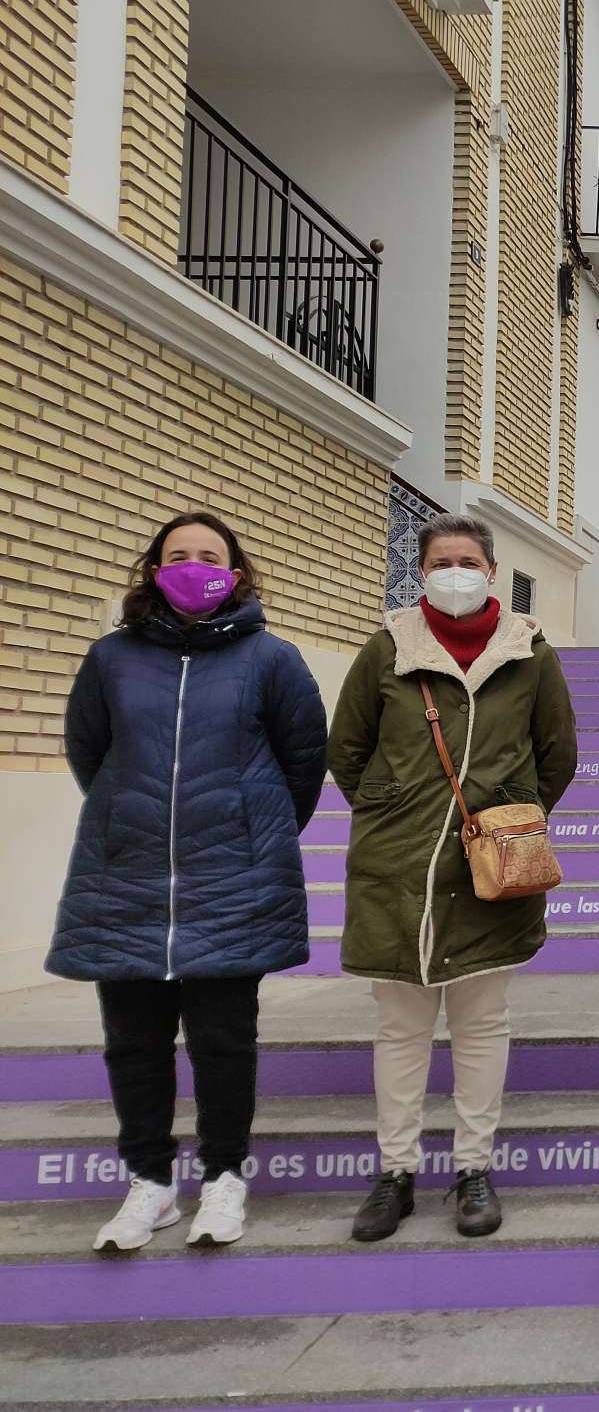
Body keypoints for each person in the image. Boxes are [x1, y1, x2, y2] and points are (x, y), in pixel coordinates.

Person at [51, 513, 326, 1253]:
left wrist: (245, 828)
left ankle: (225, 1176)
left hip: (230, 880)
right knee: (132, 1040)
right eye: (178, 556)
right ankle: (150, 1182)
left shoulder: (272, 659)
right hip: (128, 880)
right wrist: (134, 819)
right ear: (153, 569)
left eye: (210, 555)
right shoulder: (111, 658)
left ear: (236, 572)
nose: (194, 566)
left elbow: (303, 763)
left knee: (223, 1039)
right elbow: (90, 751)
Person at [330, 514, 578, 1243]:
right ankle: (395, 1172)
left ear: (492, 570)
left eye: (468, 559)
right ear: (421, 569)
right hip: (396, 869)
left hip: (491, 876)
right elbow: (347, 748)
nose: (455, 570)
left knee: (480, 1026)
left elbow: (556, 753)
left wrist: (505, 823)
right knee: (401, 1028)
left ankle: (474, 1167)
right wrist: (395, 810)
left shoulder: (529, 652)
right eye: (441, 559)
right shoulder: (387, 647)